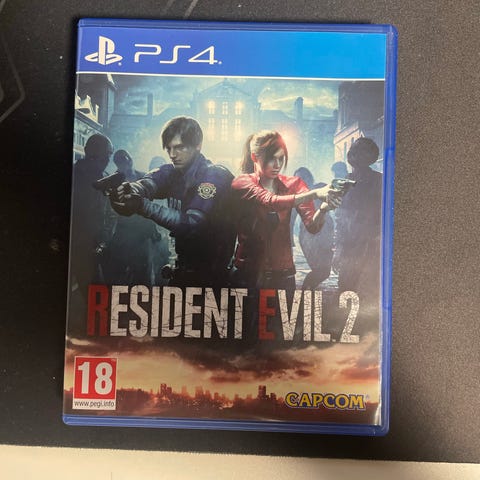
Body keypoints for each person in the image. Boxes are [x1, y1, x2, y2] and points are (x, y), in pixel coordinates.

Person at [110, 116, 235, 286]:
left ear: (197, 145)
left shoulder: (214, 175)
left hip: (213, 277)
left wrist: (141, 205)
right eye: (168, 148)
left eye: (179, 147)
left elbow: (192, 223)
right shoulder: (172, 172)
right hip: (183, 271)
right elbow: (148, 183)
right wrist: (127, 191)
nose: (172, 155)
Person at [231, 131, 341, 290]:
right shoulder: (242, 182)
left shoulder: (294, 184)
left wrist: (323, 210)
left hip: (283, 274)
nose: (277, 165)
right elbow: (270, 201)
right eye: (271, 159)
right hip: (247, 272)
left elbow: (313, 226)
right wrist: (315, 193)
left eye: (281, 158)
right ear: (255, 157)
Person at [334, 137, 383, 299]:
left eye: (362, 153)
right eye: (355, 152)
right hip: (351, 244)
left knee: (367, 291)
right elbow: (340, 218)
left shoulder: (379, 180)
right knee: (347, 289)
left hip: (371, 245)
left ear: (371, 156)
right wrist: (338, 249)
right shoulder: (345, 182)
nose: (356, 156)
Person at [103, 150, 158, 285]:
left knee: (143, 275)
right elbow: (109, 210)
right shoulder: (113, 181)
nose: (127, 161)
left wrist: (152, 228)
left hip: (143, 233)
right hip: (123, 233)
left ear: (131, 159)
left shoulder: (143, 176)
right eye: (122, 159)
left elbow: (151, 204)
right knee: (119, 276)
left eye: (127, 157)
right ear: (117, 163)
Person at [70, 133, 113, 298]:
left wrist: (105, 238)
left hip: (95, 245)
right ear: (89, 152)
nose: (107, 159)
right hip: (78, 244)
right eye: (104, 154)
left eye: (109, 155)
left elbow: (108, 212)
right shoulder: (74, 175)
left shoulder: (104, 178)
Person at [292, 167, 335, 290]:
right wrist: (290, 239)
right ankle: (305, 291)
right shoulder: (298, 197)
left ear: (310, 178)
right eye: (298, 179)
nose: (302, 181)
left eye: (304, 177)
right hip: (309, 236)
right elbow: (291, 219)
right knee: (321, 270)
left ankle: (306, 291)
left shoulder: (320, 188)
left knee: (325, 270)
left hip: (326, 233)